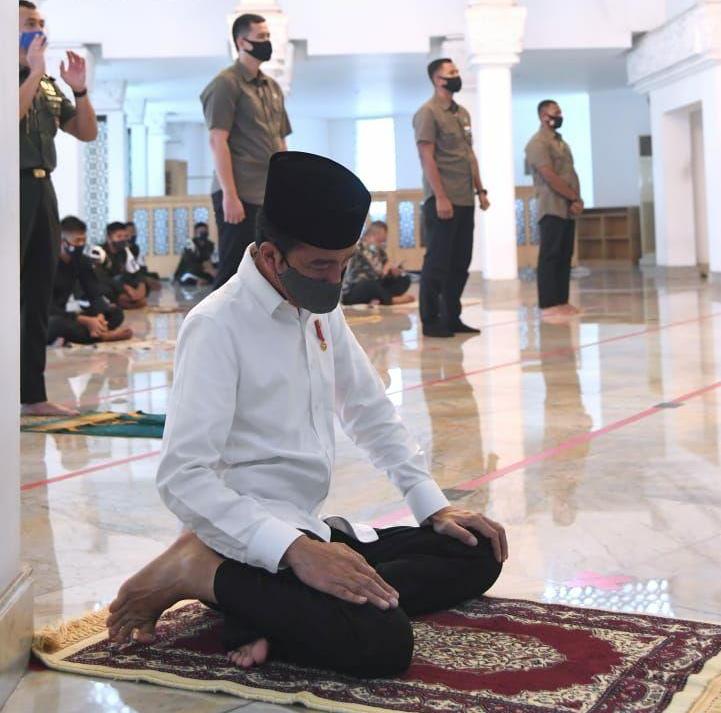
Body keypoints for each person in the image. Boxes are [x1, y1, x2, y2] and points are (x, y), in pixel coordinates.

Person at [107, 152, 507, 678]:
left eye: (344, 263)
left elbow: (368, 409)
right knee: (382, 642)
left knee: (477, 551)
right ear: (272, 257)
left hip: (308, 530)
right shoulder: (216, 326)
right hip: (244, 541)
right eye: (322, 265)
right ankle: (200, 572)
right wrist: (293, 550)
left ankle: (274, 613)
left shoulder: (318, 308)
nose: (336, 279)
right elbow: (183, 478)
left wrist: (432, 506)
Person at [19, 0, 98, 415]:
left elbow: (85, 131)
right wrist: (32, 71)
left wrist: (79, 89)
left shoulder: (48, 83)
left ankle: (32, 396)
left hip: (42, 188)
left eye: (41, 23)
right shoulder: (19, 77)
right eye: (29, 23)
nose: (38, 29)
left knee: (37, 292)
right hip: (9, 187)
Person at [201, 12, 292, 290]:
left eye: (268, 36)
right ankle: (213, 331)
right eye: (261, 37)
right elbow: (218, 140)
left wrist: (287, 188)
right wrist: (230, 195)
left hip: (269, 194)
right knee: (233, 270)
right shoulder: (226, 83)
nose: (267, 42)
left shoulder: (272, 87)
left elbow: (280, 141)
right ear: (242, 42)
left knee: (268, 268)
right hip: (240, 193)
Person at [413, 58, 489, 339]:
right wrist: (441, 197)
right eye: (451, 73)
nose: (457, 76)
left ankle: (451, 316)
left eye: (457, 71)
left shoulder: (462, 113)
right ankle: (431, 320)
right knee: (437, 263)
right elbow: (427, 157)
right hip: (442, 200)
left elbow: (468, 155)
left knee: (460, 262)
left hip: (465, 198)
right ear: (437, 79)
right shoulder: (428, 113)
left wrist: (480, 190)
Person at [525, 100, 584, 319]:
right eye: (555, 112)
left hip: (567, 205)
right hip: (552, 206)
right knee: (551, 255)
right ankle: (548, 303)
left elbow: (570, 173)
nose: (560, 115)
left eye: (560, 112)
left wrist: (576, 199)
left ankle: (561, 300)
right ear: (543, 116)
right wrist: (572, 197)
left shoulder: (561, 142)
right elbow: (550, 176)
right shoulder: (538, 143)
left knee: (564, 254)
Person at [48, 216, 132, 345]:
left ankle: (94, 332)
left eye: (84, 240)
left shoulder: (82, 261)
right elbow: (45, 308)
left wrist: (99, 316)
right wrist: (84, 320)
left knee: (115, 313)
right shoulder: (47, 264)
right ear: (62, 241)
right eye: (77, 241)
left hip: (68, 315)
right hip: (49, 316)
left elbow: (94, 294)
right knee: (56, 324)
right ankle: (102, 336)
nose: (81, 245)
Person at [342, 221, 414, 306]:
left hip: (375, 284)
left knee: (404, 279)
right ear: (370, 236)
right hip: (356, 289)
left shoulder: (380, 251)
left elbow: (383, 275)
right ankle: (391, 300)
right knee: (370, 285)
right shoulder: (358, 247)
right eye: (380, 241)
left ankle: (380, 298)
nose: (382, 244)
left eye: (383, 241)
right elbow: (375, 271)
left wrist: (393, 272)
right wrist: (384, 269)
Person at [96, 222, 148, 310]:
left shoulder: (125, 252)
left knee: (141, 286)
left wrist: (141, 286)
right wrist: (126, 288)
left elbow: (136, 271)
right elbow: (102, 277)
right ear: (109, 238)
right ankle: (119, 302)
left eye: (125, 236)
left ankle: (123, 302)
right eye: (119, 237)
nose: (123, 240)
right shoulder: (99, 252)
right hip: (105, 287)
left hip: (119, 286)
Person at [125, 220, 161, 290]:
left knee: (155, 276)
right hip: (129, 273)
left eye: (134, 231)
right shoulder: (123, 247)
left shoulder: (135, 247)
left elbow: (141, 264)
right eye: (130, 231)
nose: (133, 234)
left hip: (137, 271)